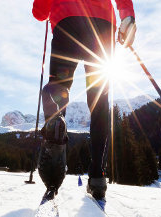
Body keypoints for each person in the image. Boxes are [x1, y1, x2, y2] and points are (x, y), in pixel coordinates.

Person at [32, 0, 136, 200]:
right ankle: (98, 176)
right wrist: (127, 16)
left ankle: (54, 155)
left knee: (59, 88)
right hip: (102, 26)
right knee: (99, 99)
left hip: (67, 22)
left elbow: (39, 12)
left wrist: (44, 11)